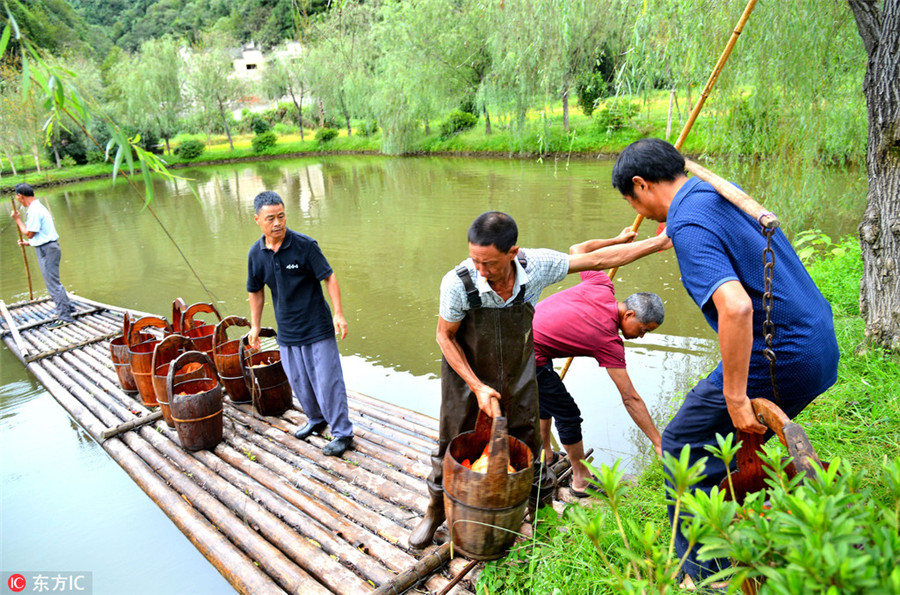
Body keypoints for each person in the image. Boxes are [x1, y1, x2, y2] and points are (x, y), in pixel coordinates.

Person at [611, 138, 839, 583]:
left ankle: (702, 575)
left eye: (629, 199)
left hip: (783, 353)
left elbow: (736, 308)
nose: (635, 208)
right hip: (818, 343)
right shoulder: (711, 190)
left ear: (640, 185)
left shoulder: (689, 224)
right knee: (722, 450)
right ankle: (738, 528)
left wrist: (736, 396)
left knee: (681, 445)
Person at [408, 211, 671, 549]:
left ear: (513, 253)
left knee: (529, 442)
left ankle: (540, 512)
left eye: (488, 263)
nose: (481, 271)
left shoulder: (538, 266)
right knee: (453, 442)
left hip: (521, 370)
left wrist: (658, 243)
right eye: (475, 261)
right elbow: (445, 337)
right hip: (466, 377)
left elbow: (599, 257)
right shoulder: (458, 283)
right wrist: (476, 386)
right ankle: (435, 512)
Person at [533, 251, 664, 498]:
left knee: (548, 398)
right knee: (568, 414)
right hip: (527, 354)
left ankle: (548, 455)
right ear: (629, 315)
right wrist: (658, 442)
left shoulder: (601, 284)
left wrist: (618, 244)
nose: (641, 336)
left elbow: (577, 249)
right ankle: (581, 481)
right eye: (643, 330)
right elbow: (630, 398)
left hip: (522, 337)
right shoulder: (608, 340)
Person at [246, 190, 353, 457]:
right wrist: (255, 326)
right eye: (270, 218)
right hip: (287, 330)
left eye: (281, 216)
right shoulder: (256, 255)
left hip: (317, 327)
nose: (277, 223)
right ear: (257, 219)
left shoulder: (304, 246)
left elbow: (329, 277)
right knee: (299, 381)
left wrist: (338, 313)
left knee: (328, 381)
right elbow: (255, 290)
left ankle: (343, 433)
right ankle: (316, 420)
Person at [9, 183, 76, 328]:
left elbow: (29, 233)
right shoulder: (37, 207)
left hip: (47, 249)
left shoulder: (34, 210)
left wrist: (17, 220)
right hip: (47, 246)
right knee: (54, 281)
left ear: (20, 196)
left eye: (17, 196)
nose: (17, 198)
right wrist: (29, 243)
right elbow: (39, 234)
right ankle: (68, 308)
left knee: (52, 284)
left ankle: (65, 317)